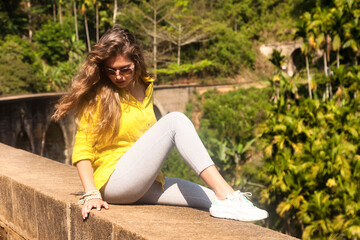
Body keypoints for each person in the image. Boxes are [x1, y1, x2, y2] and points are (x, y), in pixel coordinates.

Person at [53, 27, 268, 222]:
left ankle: (228, 199)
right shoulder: (97, 96)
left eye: (125, 69)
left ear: (136, 61)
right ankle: (229, 193)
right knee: (176, 120)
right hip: (113, 182)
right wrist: (91, 192)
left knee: (211, 199)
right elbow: (82, 149)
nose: (118, 76)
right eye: (111, 70)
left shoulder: (146, 87)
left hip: (146, 181)